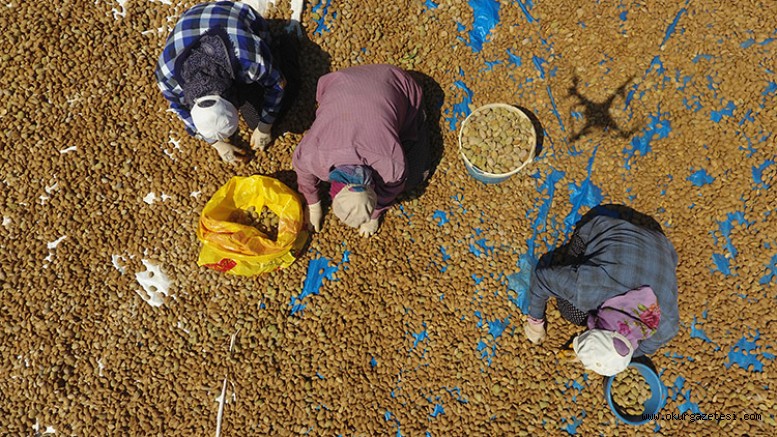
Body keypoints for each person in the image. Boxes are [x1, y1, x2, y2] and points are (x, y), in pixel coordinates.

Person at [523, 214, 679, 376]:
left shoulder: (666, 327)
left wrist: (601, 354)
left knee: (576, 311)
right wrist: (535, 323)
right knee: (571, 312)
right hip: (608, 226)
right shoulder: (589, 289)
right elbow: (543, 278)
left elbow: (641, 349)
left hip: (661, 244)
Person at [292, 64, 431, 237]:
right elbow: (303, 172)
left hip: (390, 84)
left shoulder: (392, 166)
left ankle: (421, 113)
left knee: (416, 177)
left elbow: (390, 191)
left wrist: (374, 216)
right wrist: (312, 204)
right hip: (356, 82)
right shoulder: (312, 155)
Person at [155, 1, 294, 163]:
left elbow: (276, 84)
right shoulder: (166, 77)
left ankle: (289, 45)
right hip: (191, 18)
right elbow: (181, 111)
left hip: (234, 15)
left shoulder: (248, 60)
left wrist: (265, 127)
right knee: (255, 117)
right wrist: (217, 144)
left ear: (233, 97)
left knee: (259, 116)